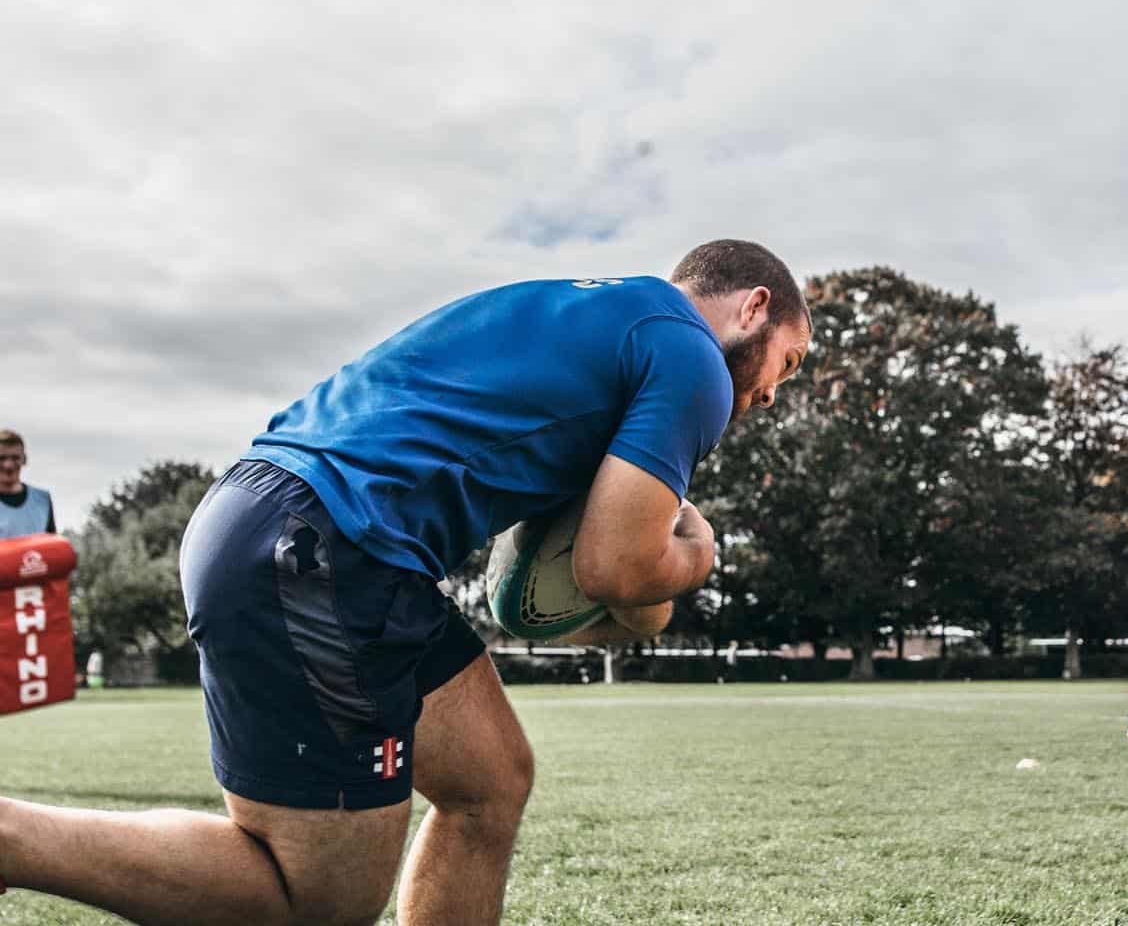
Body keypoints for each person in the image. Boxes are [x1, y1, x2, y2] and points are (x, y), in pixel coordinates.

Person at [0, 239, 811, 925]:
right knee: (318, 896)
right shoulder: (694, 359)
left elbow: (558, 582)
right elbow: (614, 567)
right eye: (788, 360)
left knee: (489, 783)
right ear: (753, 308)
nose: (772, 393)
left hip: (291, 520)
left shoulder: (604, 310)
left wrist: (632, 593)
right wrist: (699, 554)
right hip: (327, 547)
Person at [0, 430, 57, 540]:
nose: (8, 465)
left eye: (15, 458)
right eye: (1, 458)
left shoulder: (42, 500)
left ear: (24, 459)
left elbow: (51, 547)